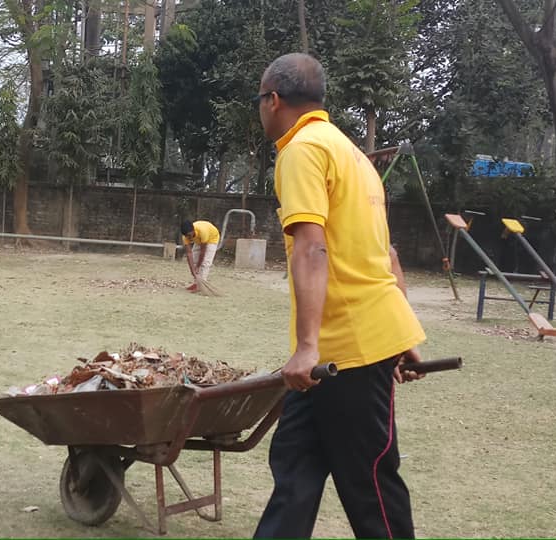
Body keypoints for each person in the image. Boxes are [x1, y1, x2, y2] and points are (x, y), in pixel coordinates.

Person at [253, 53, 427, 539]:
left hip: (346, 351)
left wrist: (306, 346)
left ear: (273, 99)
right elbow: (385, 254)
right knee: (295, 470)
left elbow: (312, 248)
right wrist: (402, 335)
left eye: (259, 100)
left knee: (369, 484)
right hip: (337, 354)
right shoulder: (352, 154)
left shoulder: (302, 150)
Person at [181, 219, 220, 292]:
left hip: (212, 238)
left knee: (205, 263)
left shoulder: (202, 231)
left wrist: (198, 266)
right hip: (199, 240)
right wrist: (192, 270)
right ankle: (196, 283)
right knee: (194, 259)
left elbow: (202, 252)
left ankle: (201, 285)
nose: (189, 238)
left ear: (193, 230)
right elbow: (189, 253)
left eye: (189, 235)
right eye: (187, 236)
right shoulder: (185, 237)